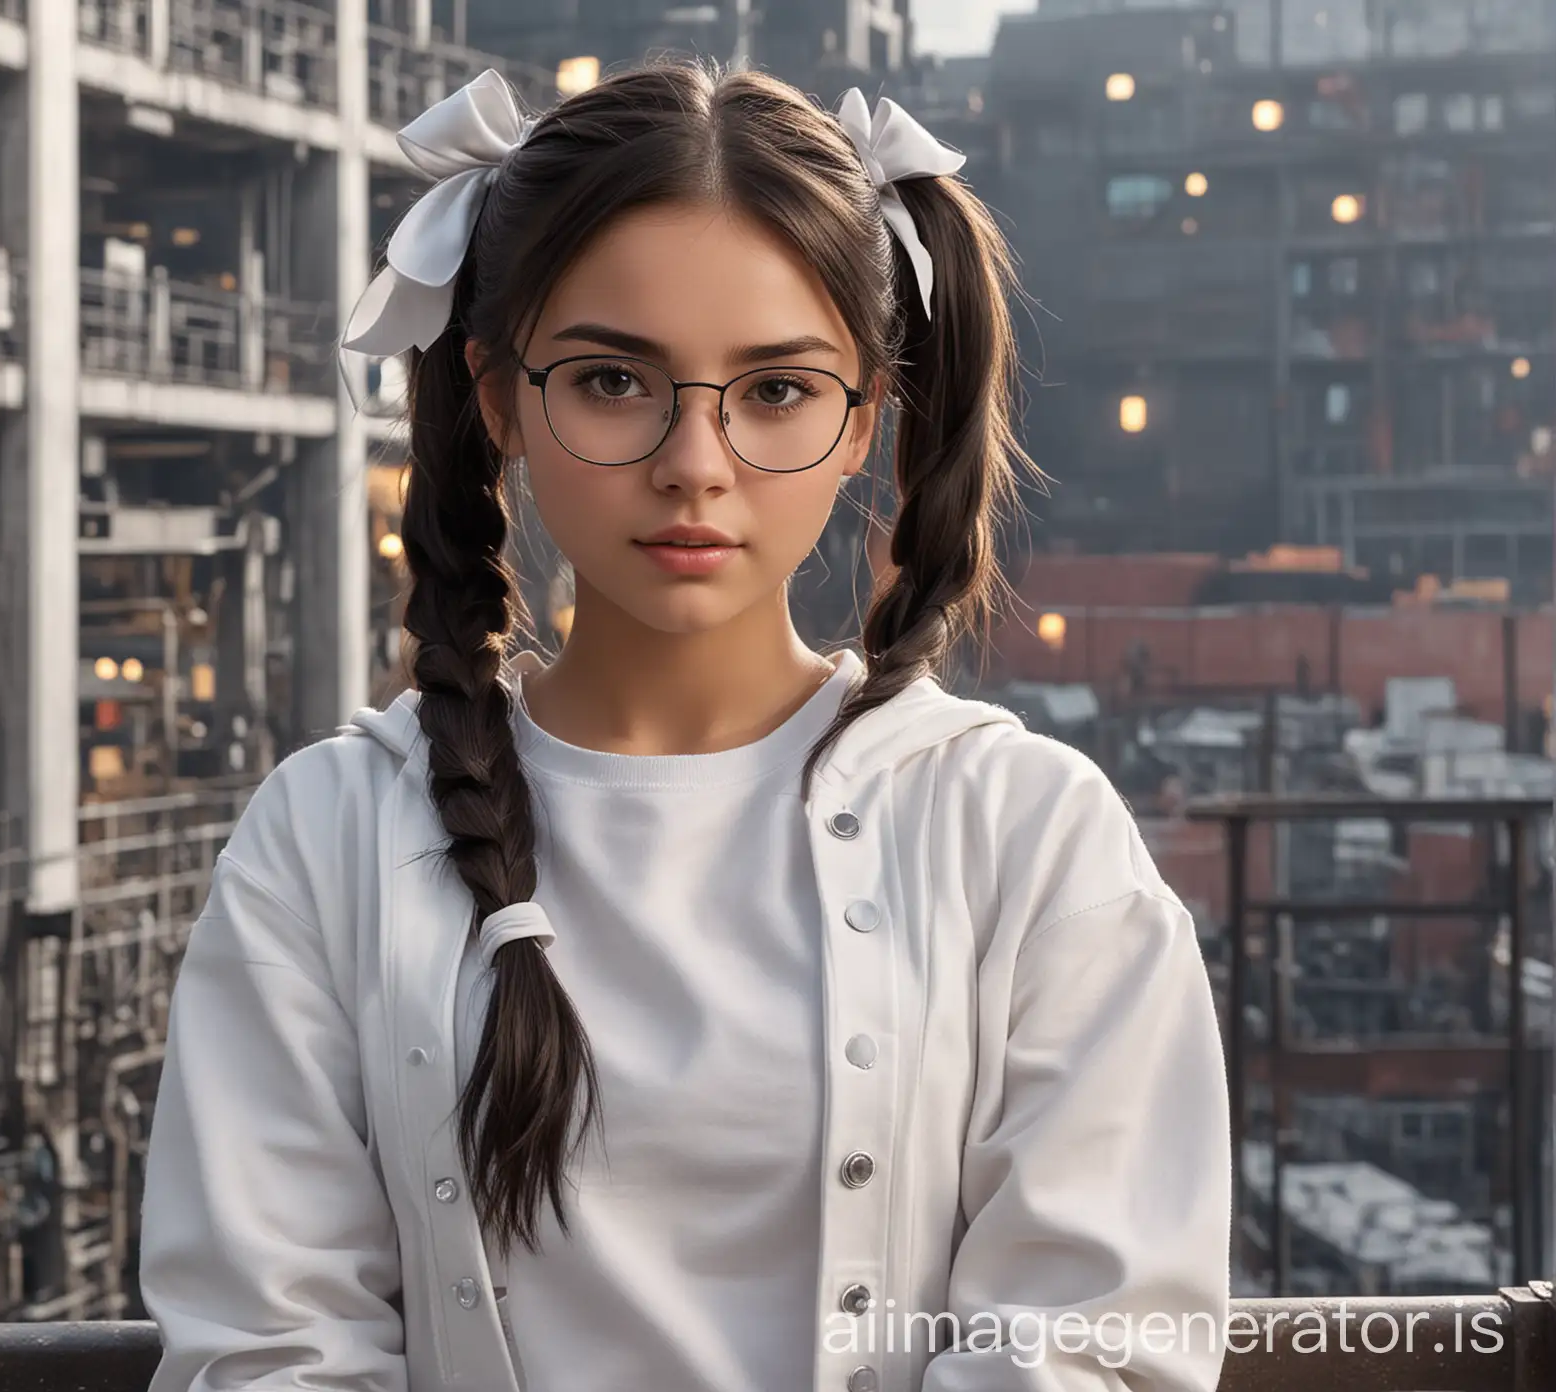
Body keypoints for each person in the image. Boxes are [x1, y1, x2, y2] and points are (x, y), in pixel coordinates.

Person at [138, 60, 1231, 1392]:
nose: (694, 463)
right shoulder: (325, 839)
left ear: (861, 425)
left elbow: (1097, 1346)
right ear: (499, 401)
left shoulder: (1027, 839)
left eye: (775, 392)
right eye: (612, 380)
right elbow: (267, 1349)